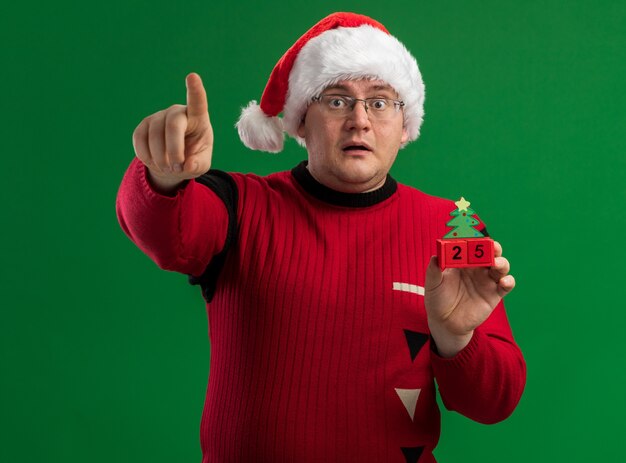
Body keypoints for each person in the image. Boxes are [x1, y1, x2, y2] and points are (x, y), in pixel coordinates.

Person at [116, 12, 526, 463]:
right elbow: (163, 232)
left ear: (405, 126)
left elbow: (493, 403)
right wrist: (164, 172)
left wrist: (456, 339)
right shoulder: (241, 204)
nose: (359, 120)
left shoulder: (449, 227)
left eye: (381, 102)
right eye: (336, 101)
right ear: (299, 121)